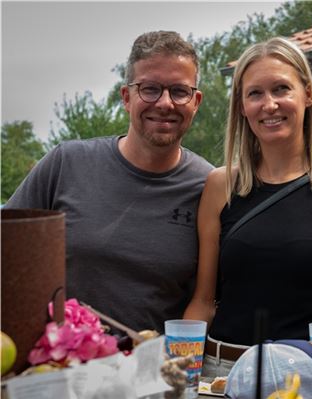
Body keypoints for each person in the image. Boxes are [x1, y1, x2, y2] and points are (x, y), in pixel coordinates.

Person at [183, 37, 312, 377]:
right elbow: (203, 300)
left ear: (308, 95)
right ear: (241, 106)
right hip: (223, 370)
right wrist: (180, 364)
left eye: (281, 89)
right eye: (255, 93)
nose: (269, 105)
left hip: (309, 374)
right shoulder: (219, 185)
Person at [5, 31, 214, 333]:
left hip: (156, 374)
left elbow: (207, 299)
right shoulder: (66, 163)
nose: (165, 103)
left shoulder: (209, 187)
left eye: (179, 91)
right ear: (127, 98)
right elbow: (7, 252)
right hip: (57, 367)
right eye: (150, 89)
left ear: (195, 102)